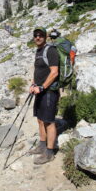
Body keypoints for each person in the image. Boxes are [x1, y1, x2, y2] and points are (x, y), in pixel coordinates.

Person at [29, 27, 60, 164]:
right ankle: (42, 146)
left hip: (49, 92)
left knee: (49, 122)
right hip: (39, 91)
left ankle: (49, 153)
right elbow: (38, 71)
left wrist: (42, 87)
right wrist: (33, 84)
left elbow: (54, 72)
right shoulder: (38, 51)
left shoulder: (51, 51)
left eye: (40, 35)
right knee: (40, 120)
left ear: (45, 36)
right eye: (35, 35)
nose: (38, 37)